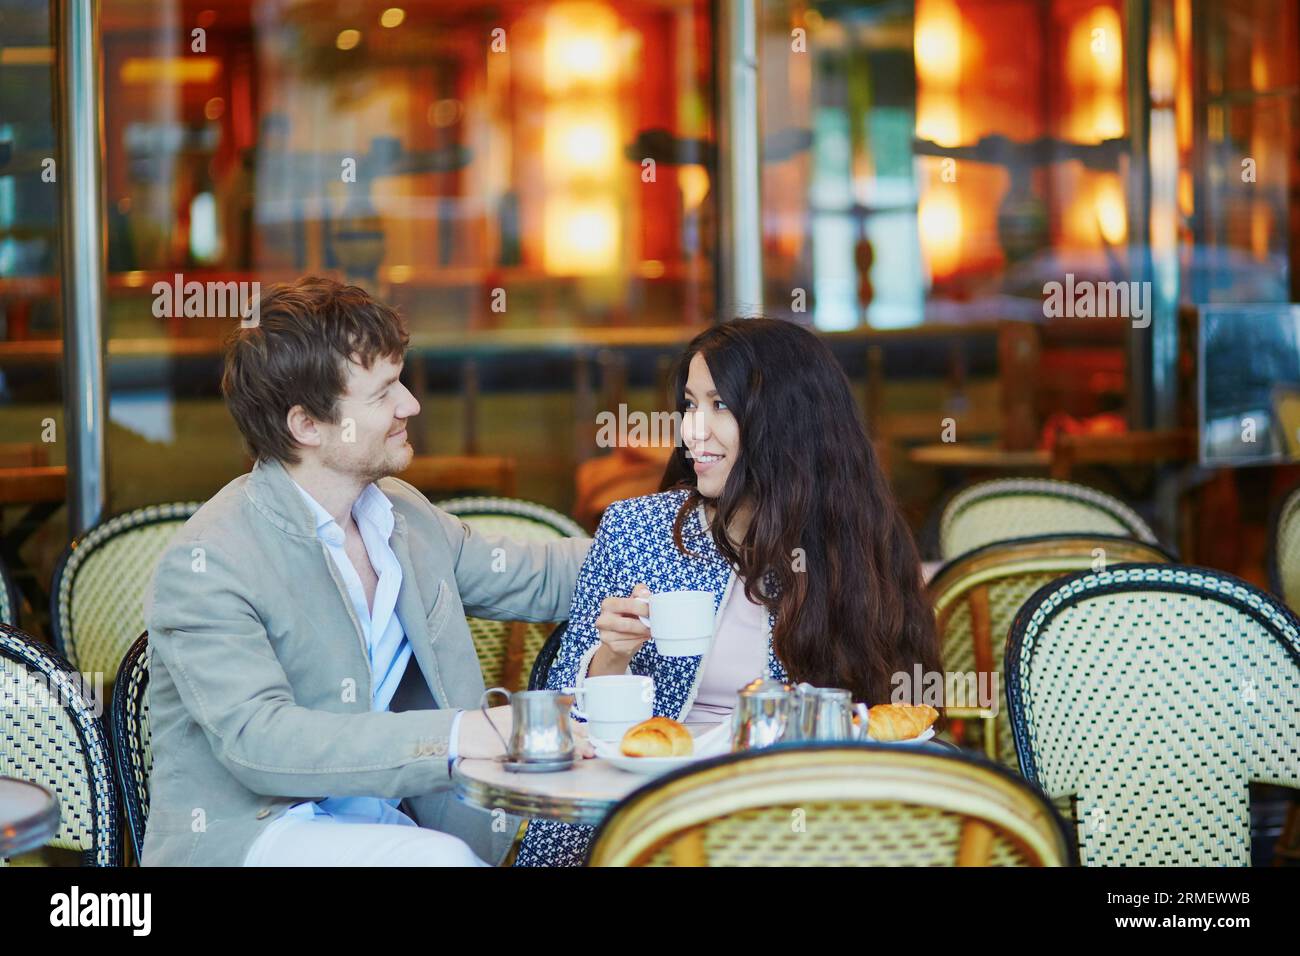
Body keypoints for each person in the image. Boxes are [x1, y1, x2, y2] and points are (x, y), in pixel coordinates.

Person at [143, 276, 590, 866]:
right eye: (383, 394)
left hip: (388, 819)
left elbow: (541, 576)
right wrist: (463, 734)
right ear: (306, 426)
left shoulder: (399, 514)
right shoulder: (207, 561)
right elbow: (261, 741)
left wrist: (691, 537)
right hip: (257, 834)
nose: (411, 404)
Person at [515, 317, 941, 866]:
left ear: (784, 422)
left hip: (794, 825)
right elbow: (565, 722)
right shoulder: (636, 528)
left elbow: (893, 718)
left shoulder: (857, 545)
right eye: (691, 405)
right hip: (642, 816)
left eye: (719, 405)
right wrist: (610, 659)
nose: (693, 430)